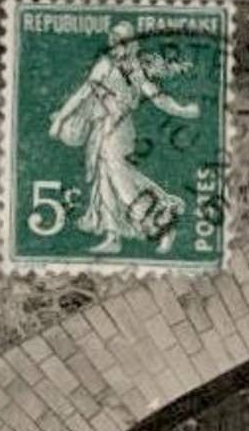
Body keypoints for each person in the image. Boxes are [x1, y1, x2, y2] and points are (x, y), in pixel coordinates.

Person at [48, 21, 200, 256]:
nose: (116, 44)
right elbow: (82, 95)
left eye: (122, 40)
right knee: (107, 180)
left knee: (122, 182)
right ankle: (113, 236)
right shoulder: (105, 66)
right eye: (114, 39)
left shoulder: (134, 69)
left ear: (131, 45)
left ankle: (162, 226)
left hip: (118, 132)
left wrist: (182, 110)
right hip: (105, 128)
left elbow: (158, 97)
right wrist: (60, 120)